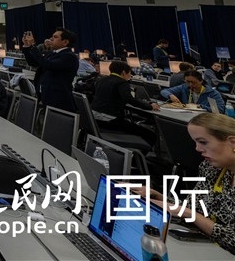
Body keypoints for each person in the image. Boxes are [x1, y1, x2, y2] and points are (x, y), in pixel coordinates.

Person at [142, 114, 235, 254]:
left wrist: (188, 213)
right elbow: (194, 207)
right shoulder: (212, 168)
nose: (197, 149)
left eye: (203, 142)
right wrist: (158, 197)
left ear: (232, 142)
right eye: (196, 142)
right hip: (207, 249)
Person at [91, 61, 159, 145]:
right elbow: (129, 99)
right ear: (123, 72)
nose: (130, 76)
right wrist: (149, 106)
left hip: (95, 119)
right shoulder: (122, 82)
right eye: (129, 73)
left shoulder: (101, 79)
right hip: (111, 120)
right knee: (151, 135)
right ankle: (139, 152)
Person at [22, 27, 79, 112]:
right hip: (47, 97)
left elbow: (49, 65)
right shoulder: (52, 53)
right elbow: (33, 62)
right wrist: (27, 46)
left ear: (65, 42)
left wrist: (33, 46)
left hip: (58, 100)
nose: (51, 39)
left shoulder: (69, 56)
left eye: (55, 37)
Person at [160, 70, 226, 112]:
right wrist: (170, 95)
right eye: (187, 82)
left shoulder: (213, 93)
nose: (190, 84)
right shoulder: (184, 87)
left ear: (201, 81)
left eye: (193, 82)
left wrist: (199, 106)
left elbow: (219, 110)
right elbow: (164, 91)